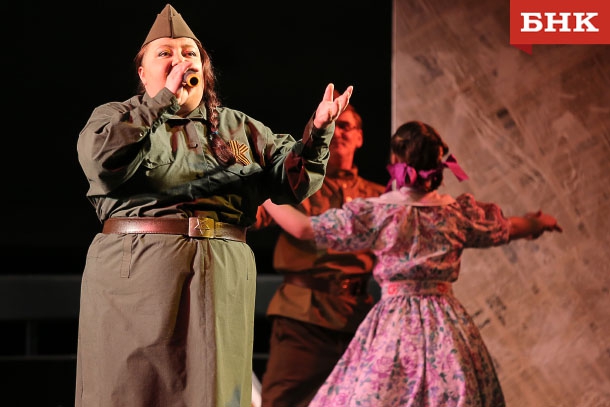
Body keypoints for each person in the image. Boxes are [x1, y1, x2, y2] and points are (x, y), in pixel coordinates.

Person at [75, 4, 353, 407]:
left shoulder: (238, 127)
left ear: (203, 69)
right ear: (143, 73)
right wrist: (161, 102)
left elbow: (291, 181)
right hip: (137, 271)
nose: (179, 60)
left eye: (189, 53)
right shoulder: (118, 117)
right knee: (133, 385)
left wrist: (319, 132)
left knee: (214, 386)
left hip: (220, 272)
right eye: (165, 53)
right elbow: (103, 162)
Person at [261, 120, 562, 407]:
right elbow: (508, 227)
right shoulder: (456, 213)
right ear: (439, 164)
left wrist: (263, 195)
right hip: (446, 324)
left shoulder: (379, 212)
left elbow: (304, 228)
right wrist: (539, 222)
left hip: (395, 322)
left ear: (396, 159)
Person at [252, 101, 386, 407]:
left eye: (346, 126)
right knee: (283, 401)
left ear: (360, 137)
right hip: (303, 318)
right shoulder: (294, 186)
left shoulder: (379, 196)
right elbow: (251, 213)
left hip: (359, 318)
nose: (339, 134)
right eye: (332, 127)